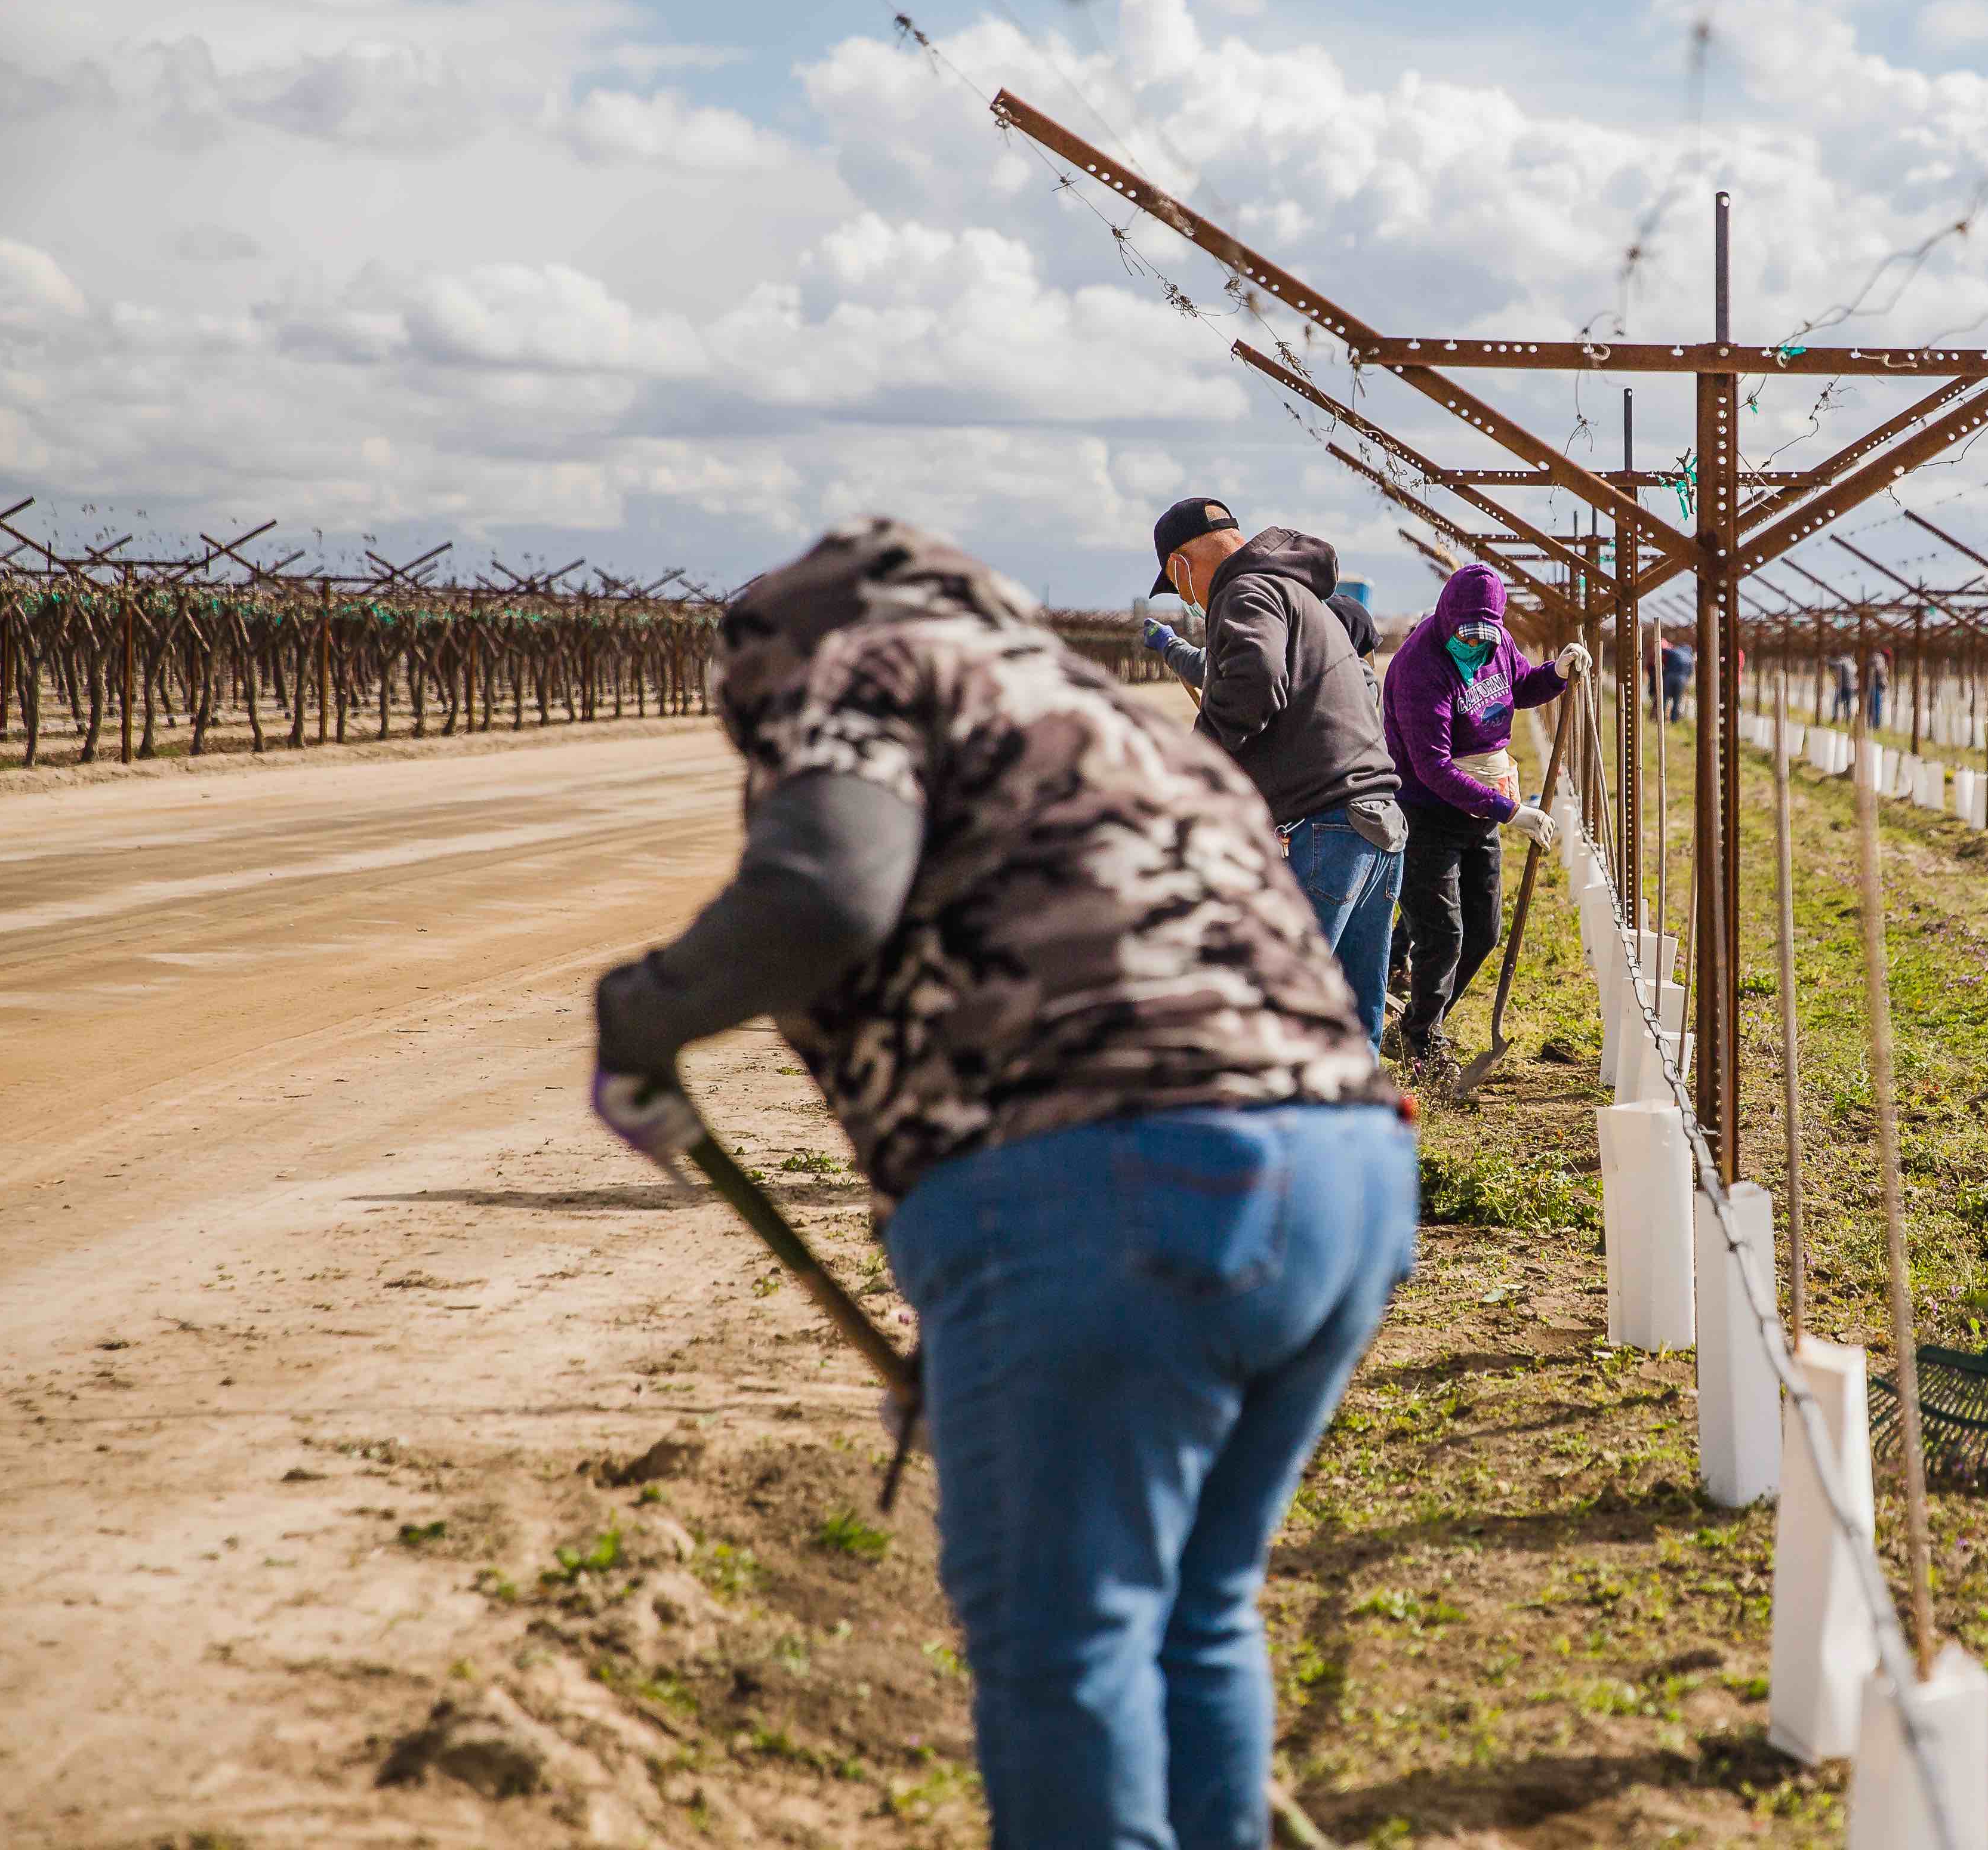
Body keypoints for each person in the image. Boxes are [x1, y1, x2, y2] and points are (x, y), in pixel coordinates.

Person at [590, 517, 1413, 1846]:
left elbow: (824, 893)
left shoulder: (869, 674)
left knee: (1062, 1638)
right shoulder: (1094, 707)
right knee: (1196, 1610)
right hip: (1343, 1177)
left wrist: (644, 1011)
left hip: (1123, 1181)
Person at [1140, 495, 1405, 1049]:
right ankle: (1361, 1131)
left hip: (1326, 831)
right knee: (1355, 1023)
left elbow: (1253, 680)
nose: (1189, 599)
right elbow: (1248, 677)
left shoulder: (1245, 590)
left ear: (1179, 566)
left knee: (1285, 1009)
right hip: (1378, 826)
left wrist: (1197, 770)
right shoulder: (1298, 594)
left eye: (1180, 586)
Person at [1380, 565, 1585, 1070]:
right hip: (1427, 813)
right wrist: (1513, 812)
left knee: (1484, 932)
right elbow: (1432, 767)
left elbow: (1520, 686)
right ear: (1448, 617)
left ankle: (1419, 1025)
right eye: (1466, 634)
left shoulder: (1496, 643)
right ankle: (1424, 1040)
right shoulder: (1418, 669)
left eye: (1486, 635)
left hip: (1483, 810)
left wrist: (1556, 674)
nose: (1476, 645)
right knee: (1442, 933)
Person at [1659, 634, 1694, 725]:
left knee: (1665, 698)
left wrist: (1664, 644)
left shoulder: (1675, 651)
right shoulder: (1690, 658)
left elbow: (1664, 651)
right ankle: (1674, 721)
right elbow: (1690, 672)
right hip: (1682, 680)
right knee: (1677, 700)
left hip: (1670, 677)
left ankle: (1660, 718)